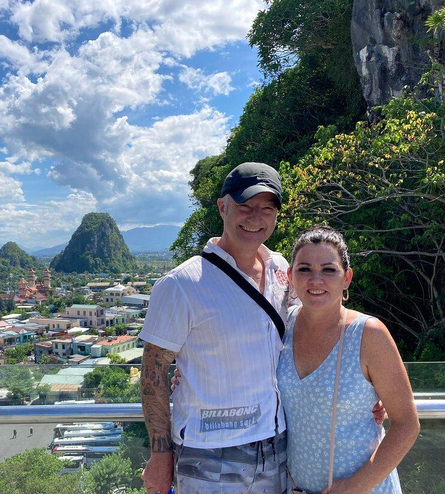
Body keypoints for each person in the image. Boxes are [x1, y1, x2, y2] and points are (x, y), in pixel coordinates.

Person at [140, 162, 292, 494]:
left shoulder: (282, 269)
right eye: (246, 206)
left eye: (267, 208)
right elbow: (153, 373)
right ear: (223, 207)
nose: (256, 217)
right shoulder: (181, 284)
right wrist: (160, 455)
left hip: (277, 444)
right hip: (207, 452)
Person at [277, 226, 419, 493]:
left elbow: (407, 424)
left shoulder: (368, 334)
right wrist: (181, 375)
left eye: (329, 270)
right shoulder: (282, 327)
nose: (316, 280)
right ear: (290, 276)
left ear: (347, 278)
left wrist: (357, 486)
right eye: (304, 269)